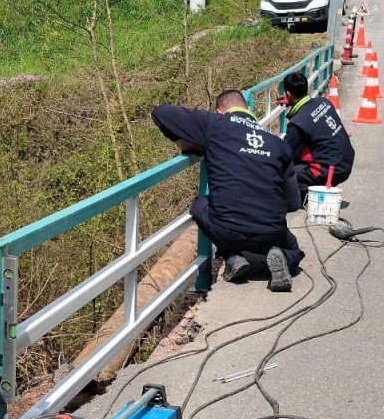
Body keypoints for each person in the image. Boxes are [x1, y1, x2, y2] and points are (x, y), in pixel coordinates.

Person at [151, 91, 304, 292]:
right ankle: (283, 257)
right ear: (248, 110)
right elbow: (293, 203)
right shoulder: (278, 144)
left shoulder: (214, 124)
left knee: (201, 205)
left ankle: (232, 256)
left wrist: (187, 143)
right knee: (294, 248)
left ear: (219, 111)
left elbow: (161, 112)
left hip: (227, 230)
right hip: (270, 232)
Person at [280, 72, 355, 200]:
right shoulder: (323, 102)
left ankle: (306, 194)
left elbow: (287, 156)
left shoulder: (298, 124)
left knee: (284, 171)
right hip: (346, 161)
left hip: (331, 171)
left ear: (288, 94)